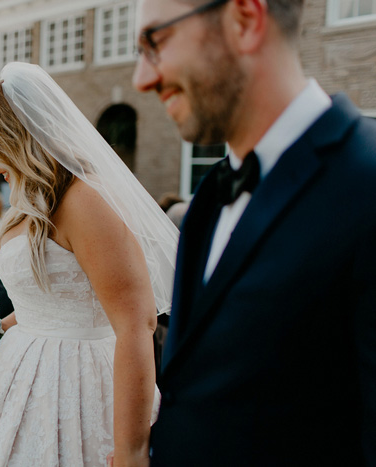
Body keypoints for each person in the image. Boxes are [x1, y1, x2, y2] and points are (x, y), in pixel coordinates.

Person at [133, 0, 376, 465]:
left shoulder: (366, 187)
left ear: (245, 19)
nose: (141, 79)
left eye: (155, 42)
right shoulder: (206, 202)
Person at [0, 62, 179, 466]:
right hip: (17, 380)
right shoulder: (28, 202)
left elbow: (135, 322)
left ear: (12, 140)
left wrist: (131, 449)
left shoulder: (85, 200)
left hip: (77, 383)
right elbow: (51, 302)